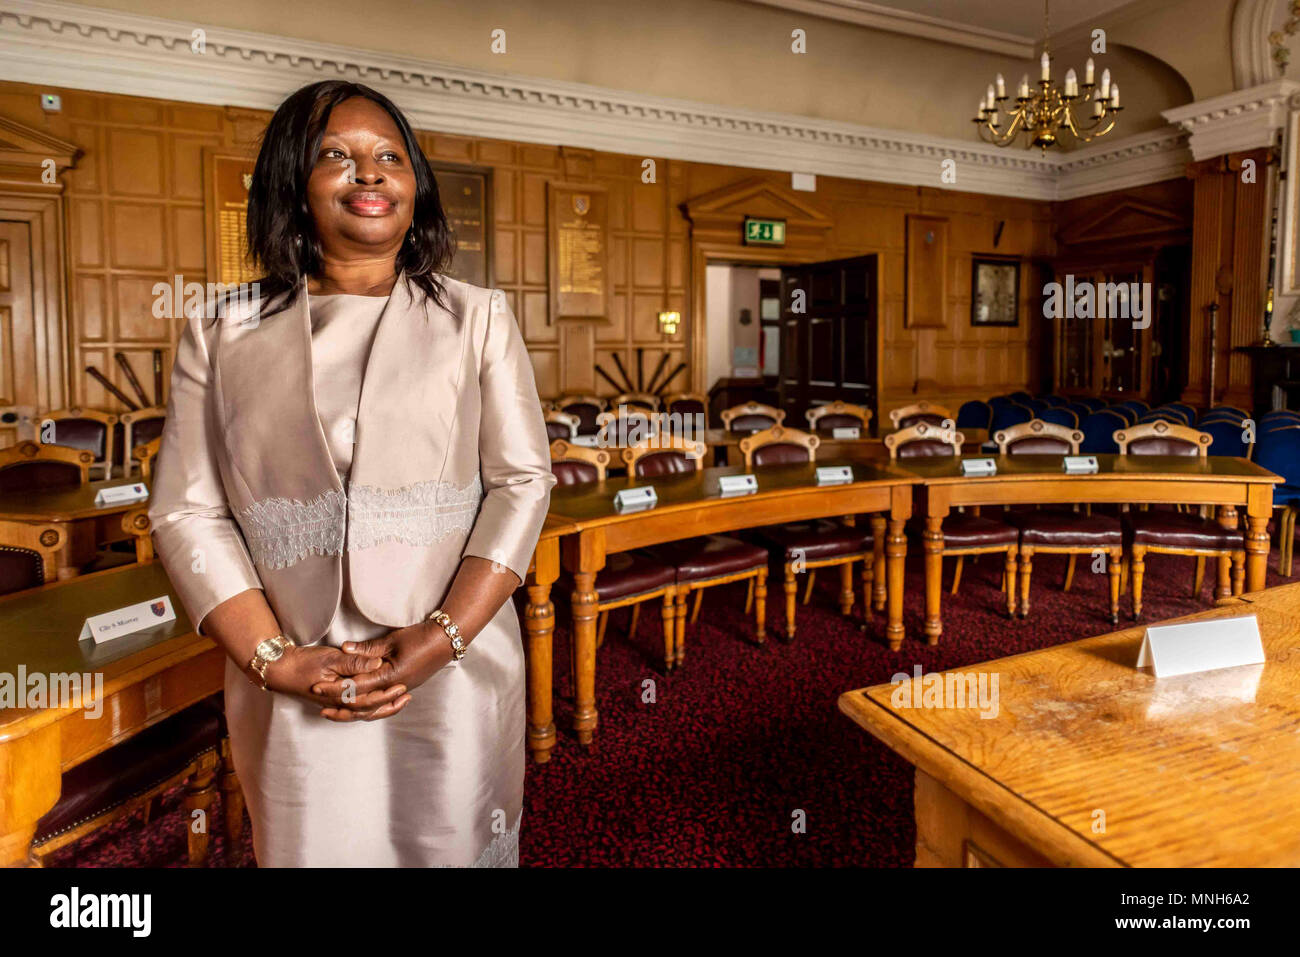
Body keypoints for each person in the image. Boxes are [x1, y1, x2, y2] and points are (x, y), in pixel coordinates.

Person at [148, 80, 554, 866]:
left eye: (388, 157)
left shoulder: (479, 318)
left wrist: (444, 636)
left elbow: (522, 483)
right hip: (298, 667)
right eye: (336, 155)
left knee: (456, 841)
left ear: (414, 186)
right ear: (293, 185)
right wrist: (272, 659)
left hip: (453, 657)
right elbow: (186, 512)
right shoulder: (222, 331)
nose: (368, 174)